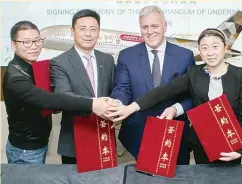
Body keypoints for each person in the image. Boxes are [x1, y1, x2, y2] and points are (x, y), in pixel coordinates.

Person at [107, 28, 242, 164]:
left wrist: (240, 149)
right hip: (201, 144)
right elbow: (163, 91)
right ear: (200, 52)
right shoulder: (194, 73)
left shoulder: (239, 75)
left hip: (231, 143)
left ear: (225, 48)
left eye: (215, 47)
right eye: (204, 48)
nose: (210, 52)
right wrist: (131, 107)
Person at [2, 20, 110, 164]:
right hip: (25, 150)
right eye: (26, 42)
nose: (33, 47)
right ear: (13, 45)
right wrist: (92, 104)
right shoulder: (16, 78)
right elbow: (47, 99)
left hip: (36, 143)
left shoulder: (32, 67)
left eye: (37, 41)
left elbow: (45, 103)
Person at [109, 5, 195, 164]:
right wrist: (118, 104)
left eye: (155, 26)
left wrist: (175, 109)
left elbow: (192, 96)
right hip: (136, 135)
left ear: (165, 26)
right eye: (145, 27)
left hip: (175, 134)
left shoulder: (185, 56)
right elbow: (122, 88)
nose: (150, 31)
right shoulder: (127, 56)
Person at [50, 9, 115, 164]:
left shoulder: (107, 60)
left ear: (99, 32)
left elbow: (113, 91)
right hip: (74, 141)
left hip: (103, 138)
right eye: (82, 29)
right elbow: (63, 96)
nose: (88, 34)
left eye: (93, 29)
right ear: (73, 31)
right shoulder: (59, 62)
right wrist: (94, 104)